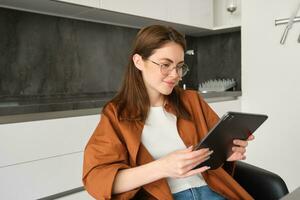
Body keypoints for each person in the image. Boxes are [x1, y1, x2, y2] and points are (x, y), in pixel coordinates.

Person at [82, 25, 254, 200]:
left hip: (212, 192)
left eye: (179, 66)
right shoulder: (117, 114)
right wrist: (162, 167)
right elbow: (96, 179)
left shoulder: (192, 101)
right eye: (165, 65)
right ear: (138, 61)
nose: (175, 75)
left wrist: (227, 153)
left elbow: (215, 154)